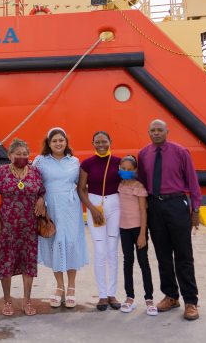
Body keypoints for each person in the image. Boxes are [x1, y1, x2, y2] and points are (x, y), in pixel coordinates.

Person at [137, 119, 202, 321]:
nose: (156, 133)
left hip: (176, 204)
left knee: (183, 254)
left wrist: (196, 209)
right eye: (152, 130)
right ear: (148, 132)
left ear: (167, 131)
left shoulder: (181, 152)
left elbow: (193, 182)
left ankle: (191, 301)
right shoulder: (144, 154)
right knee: (163, 255)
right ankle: (171, 296)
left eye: (159, 130)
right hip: (155, 206)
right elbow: (142, 183)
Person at [0, 139, 46, 316]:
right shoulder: (1, 172)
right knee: (6, 260)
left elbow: (42, 191)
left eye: (24, 154)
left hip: (30, 225)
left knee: (28, 262)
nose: (22, 157)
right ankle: (7, 301)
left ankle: (26, 300)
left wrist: (41, 200)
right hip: (7, 225)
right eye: (18, 154)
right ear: (10, 155)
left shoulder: (35, 172)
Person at [34, 127, 88, 309]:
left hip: (71, 208)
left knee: (71, 243)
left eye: (61, 140)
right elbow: (34, 183)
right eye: (54, 140)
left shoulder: (74, 161)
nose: (58, 143)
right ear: (48, 144)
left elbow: (81, 186)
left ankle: (72, 287)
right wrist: (40, 199)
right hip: (51, 207)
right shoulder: (40, 161)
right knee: (55, 243)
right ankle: (59, 287)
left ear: (66, 142)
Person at [77, 130, 122, 311]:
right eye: (97, 142)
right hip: (95, 205)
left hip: (115, 205)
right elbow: (81, 189)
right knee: (100, 250)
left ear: (110, 141)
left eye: (104, 141)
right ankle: (102, 295)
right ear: (93, 143)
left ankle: (112, 293)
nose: (101, 144)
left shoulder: (119, 162)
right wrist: (92, 209)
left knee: (113, 251)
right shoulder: (87, 163)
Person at [117, 155, 156, 316]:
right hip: (123, 229)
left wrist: (142, 234)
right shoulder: (119, 185)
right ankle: (130, 297)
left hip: (137, 229)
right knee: (128, 262)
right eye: (123, 168)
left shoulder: (138, 186)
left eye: (129, 169)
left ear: (135, 170)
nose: (125, 171)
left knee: (143, 262)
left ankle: (149, 299)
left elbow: (143, 210)